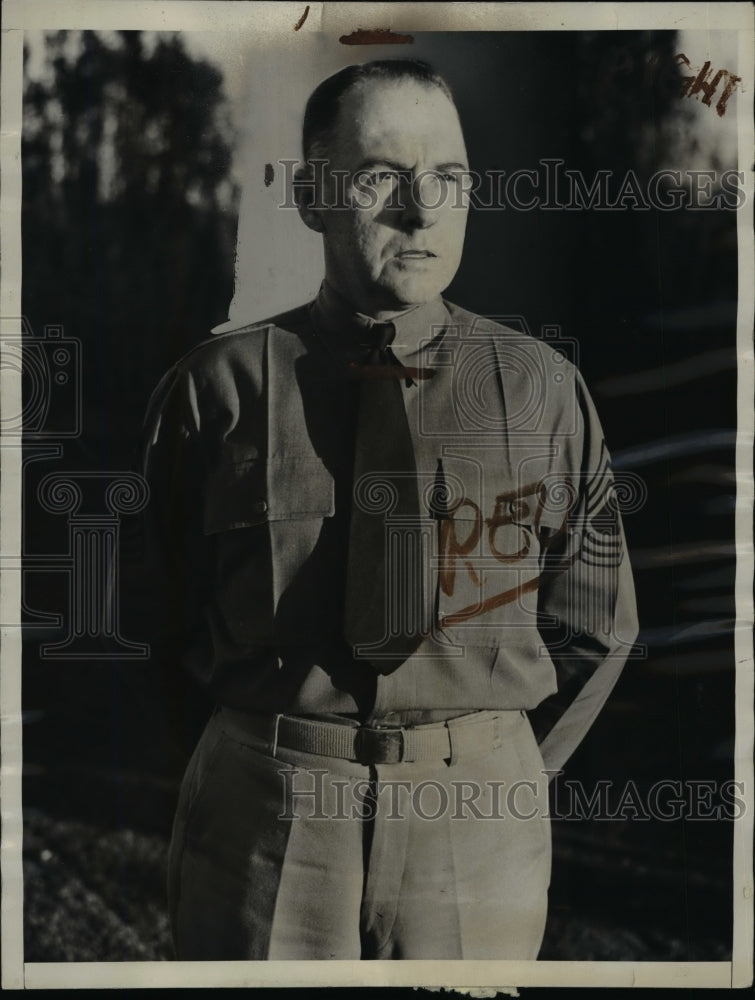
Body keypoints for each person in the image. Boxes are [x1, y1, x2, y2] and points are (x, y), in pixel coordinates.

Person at [142, 58, 639, 961]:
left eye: (447, 179)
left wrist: (499, 767)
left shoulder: (540, 390)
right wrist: (248, 759)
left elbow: (598, 627)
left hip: (475, 832)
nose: (420, 212)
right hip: (267, 824)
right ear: (310, 196)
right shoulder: (215, 390)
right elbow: (153, 618)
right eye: (380, 178)